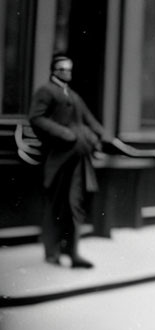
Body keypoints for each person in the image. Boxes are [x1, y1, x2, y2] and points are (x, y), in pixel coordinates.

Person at [28, 54, 107, 268]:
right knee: (56, 204)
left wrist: (100, 134)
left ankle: (72, 252)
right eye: (62, 69)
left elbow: (88, 119)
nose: (66, 73)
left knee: (74, 205)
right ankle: (51, 252)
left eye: (69, 70)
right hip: (58, 158)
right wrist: (65, 134)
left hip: (78, 159)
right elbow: (36, 118)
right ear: (54, 70)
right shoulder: (46, 91)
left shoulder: (72, 94)